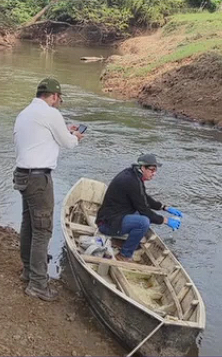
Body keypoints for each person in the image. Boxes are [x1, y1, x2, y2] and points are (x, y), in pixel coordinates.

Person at [13, 77, 85, 302]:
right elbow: (68, 143)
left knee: (29, 225)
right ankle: (38, 284)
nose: (58, 103)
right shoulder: (50, 114)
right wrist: (75, 136)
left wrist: (64, 130)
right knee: (42, 231)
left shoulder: (25, 113)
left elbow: (41, 138)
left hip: (22, 175)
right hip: (39, 179)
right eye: (58, 99)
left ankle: (28, 271)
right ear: (53, 96)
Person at [95, 154, 183, 262]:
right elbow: (144, 210)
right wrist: (165, 220)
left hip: (112, 217)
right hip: (106, 224)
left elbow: (143, 197)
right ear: (142, 168)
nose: (154, 174)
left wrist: (163, 207)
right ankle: (124, 255)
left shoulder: (133, 175)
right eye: (152, 170)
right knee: (143, 222)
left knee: (143, 217)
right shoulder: (132, 181)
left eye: (155, 170)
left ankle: (125, 241)